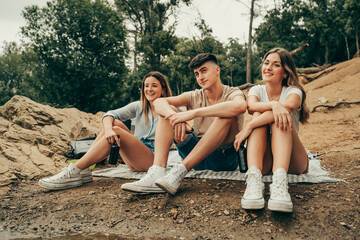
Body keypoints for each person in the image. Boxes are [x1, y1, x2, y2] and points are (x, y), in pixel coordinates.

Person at [121, 53, 247, 194]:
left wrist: (193, 113)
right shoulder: (195, 95)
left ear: (217, 70)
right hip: (197, 158)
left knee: (226, 114)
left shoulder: (233, 92)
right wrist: (175, 117)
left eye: (204, 71)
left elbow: (240, 107)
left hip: (223, 158)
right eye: (196, 74)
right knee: (167, 112)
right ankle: (157, 171)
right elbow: (158, 102)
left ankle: (180, 172)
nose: (200, 77)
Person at [39, 71, 172, 191]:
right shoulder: (139, 106)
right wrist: (108, 130)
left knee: (117, 130)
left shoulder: (172, 108)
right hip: (135, 156)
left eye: (154, 86)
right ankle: (84, 170)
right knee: (114, 123)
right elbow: (109, 114)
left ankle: (75, 170)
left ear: (163, 90)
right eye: (146, 86)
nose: (149, 89)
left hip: (152, 160)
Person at [234, 47, 310, 213]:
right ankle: (254, 180)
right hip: (265, 162)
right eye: (266, 63)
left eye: (275, 65)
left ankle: (280, 185)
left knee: (279, 118)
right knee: (260, 114)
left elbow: (289, 106)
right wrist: (274, 104)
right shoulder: (256, 90)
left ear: (285, 72)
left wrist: (249, 126)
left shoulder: (294, 91)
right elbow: (252, 106)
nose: (268, 67)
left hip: (293, 162)